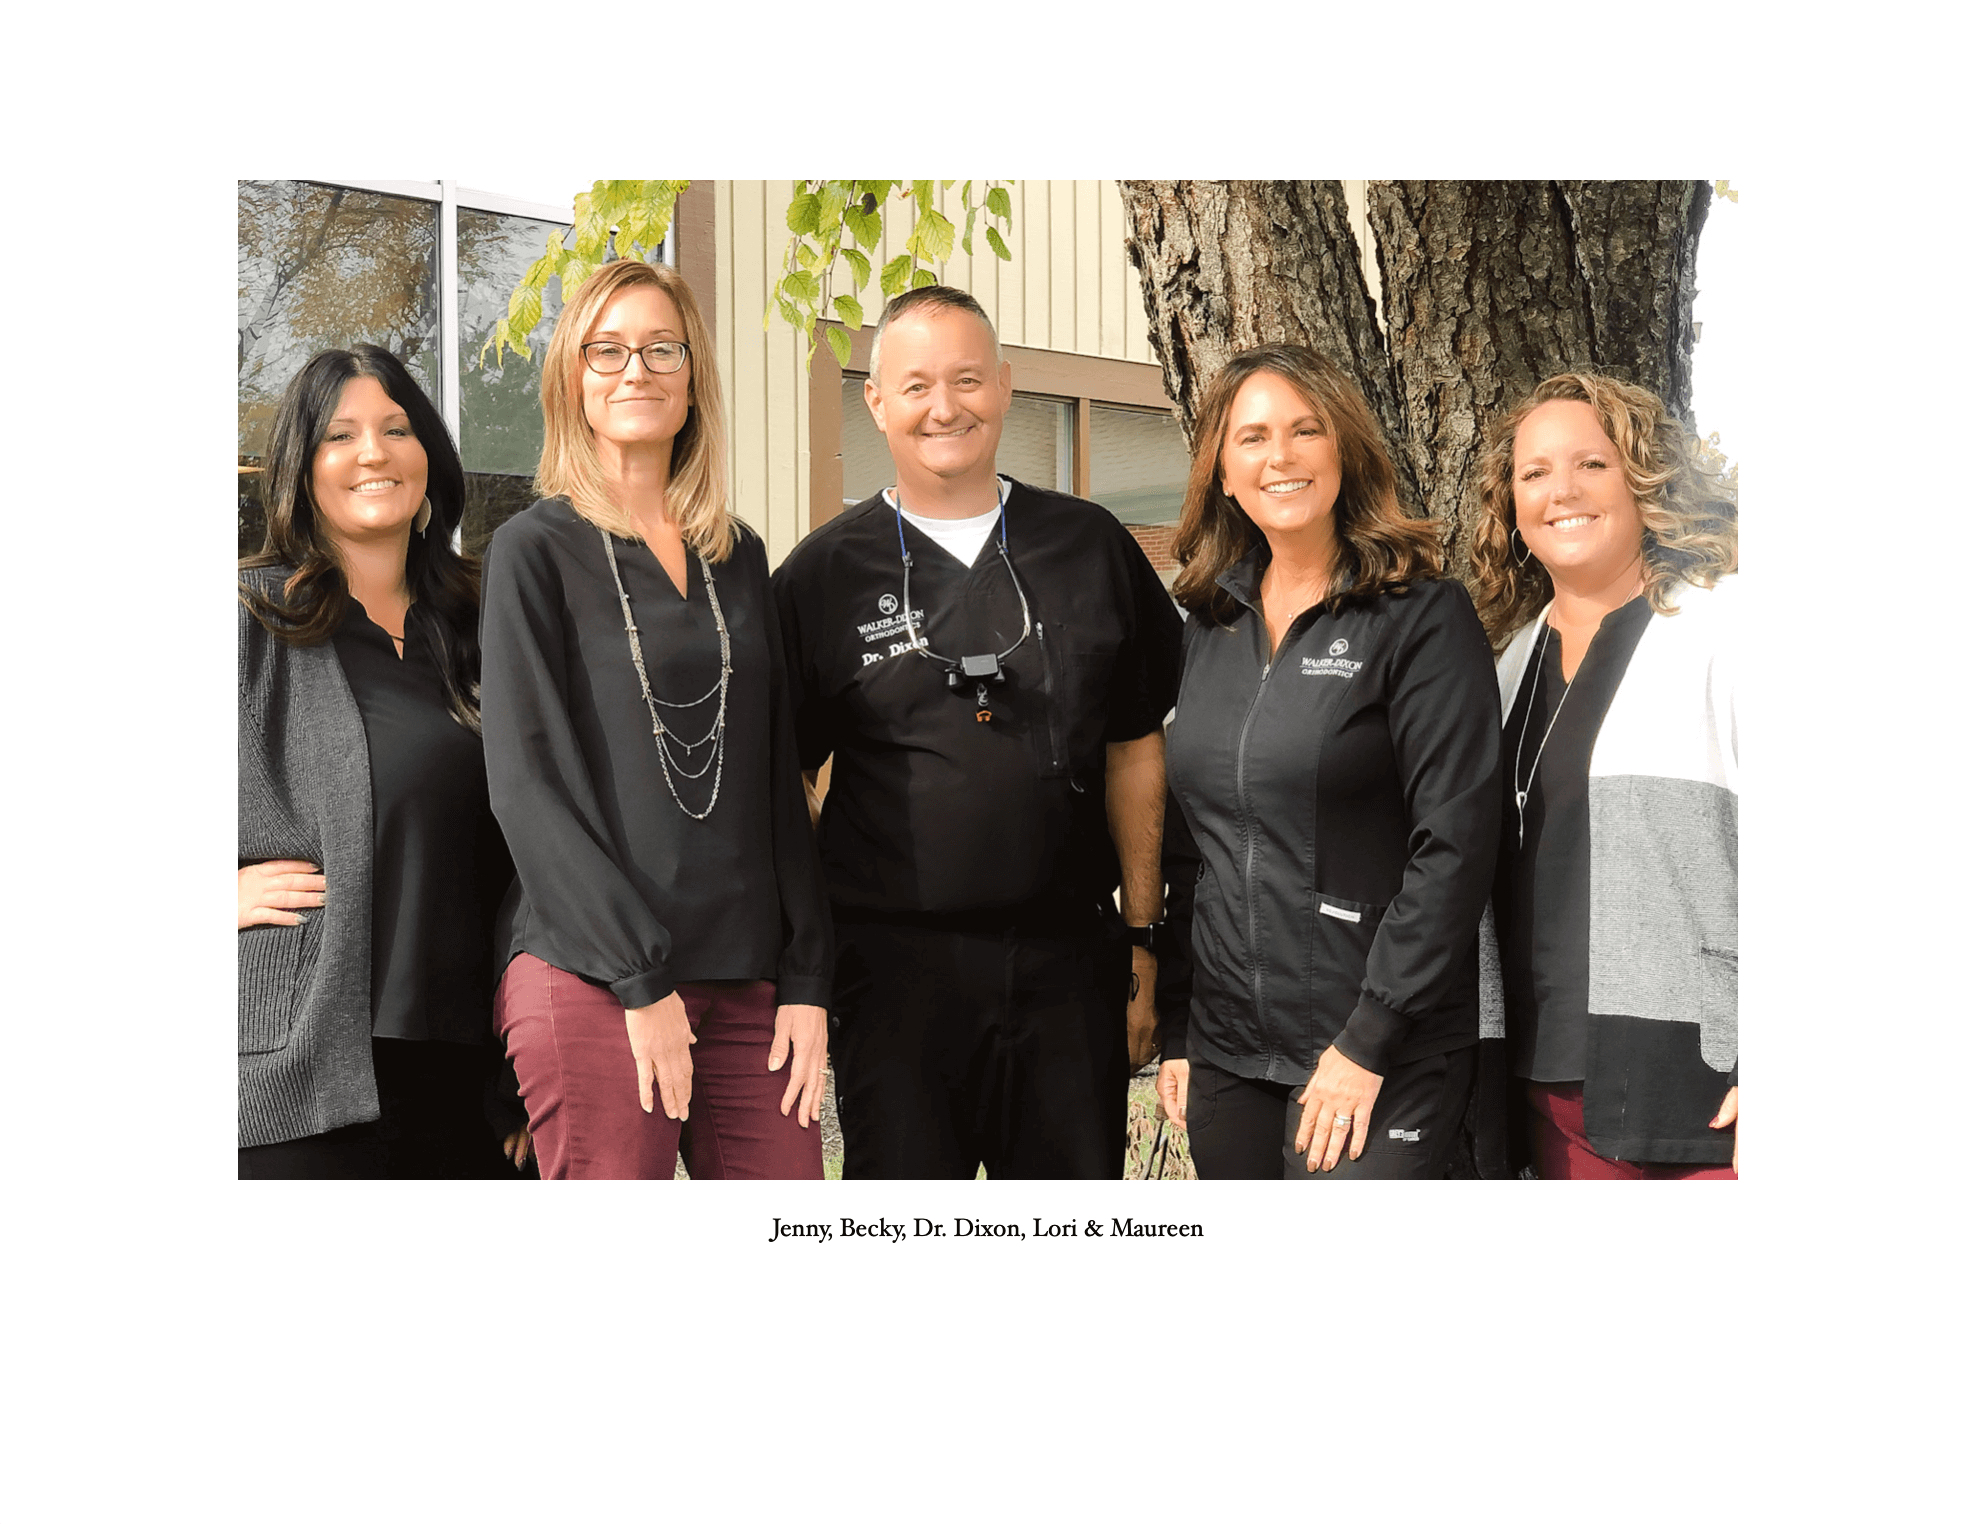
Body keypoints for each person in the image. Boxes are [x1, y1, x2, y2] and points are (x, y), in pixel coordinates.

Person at [771, 285, 1182, 1180]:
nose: (944, 408)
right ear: (875, 400)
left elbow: (1136, 748)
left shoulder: (1090, 546)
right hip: (894, 980)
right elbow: (783, 780)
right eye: (915, 385)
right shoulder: (821, 577)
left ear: (1004, 385)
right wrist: (823, 938)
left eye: (966, 379)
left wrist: (1143, 942)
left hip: (1069, 967)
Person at [479, 259, 833, 1181]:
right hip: (592, 972)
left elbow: (776, 779)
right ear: (573, 379)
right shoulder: (531, 551)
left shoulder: (739, 554)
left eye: (660, 348)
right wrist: (638, 979)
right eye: (607, 350)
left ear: (692, 377)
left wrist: (807, 977)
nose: (634, 369)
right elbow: (525, 785)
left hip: (751, 981)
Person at [1154, 344, 1500, 1178]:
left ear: (1344, 449)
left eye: (1306, 430)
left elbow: (1456, 844)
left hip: (1379, 1047)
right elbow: (1192, 845)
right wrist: (1179, 1028)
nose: (1281, 456)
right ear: (1223, 473)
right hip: (1229, 1052)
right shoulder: (1210, 624)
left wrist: (1370, 1039)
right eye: (1253, 437)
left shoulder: (1420, 617)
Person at [238, 345, 526, 1179]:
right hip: (304, 1076)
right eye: (341, 435)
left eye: (397, 429)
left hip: (476, 1076)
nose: (374, 452)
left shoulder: (487, 620)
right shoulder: (250, 619)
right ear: (302, 469)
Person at [1467, 371, 1738, 1179]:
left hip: (1701, 1086)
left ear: (1644, 479)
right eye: (1535, 472)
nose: (1563, 491)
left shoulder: (1726, 628)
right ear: (1512, 506)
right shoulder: (1505, 665)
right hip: (1542, 1088)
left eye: (1593, 463)